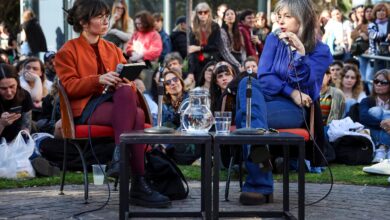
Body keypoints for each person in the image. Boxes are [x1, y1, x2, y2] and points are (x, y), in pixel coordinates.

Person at [56, 0, 170, 207]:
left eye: (106, 16)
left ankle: (120, 158)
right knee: (136, 115)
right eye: (100, 17)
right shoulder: (67, 50)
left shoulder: (113, 48)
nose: (106, 20)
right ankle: (138, 184)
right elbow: (69, 87)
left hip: (116, 106)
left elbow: (130, 83)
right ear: (83, 22)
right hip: (85, 109)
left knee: (129, 98)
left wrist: (123, 80)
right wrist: (98, 79)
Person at [236, 0, 333, 205]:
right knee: (247, 82)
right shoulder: (273, 39)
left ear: (303, 19)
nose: (281, 20)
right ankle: (261, 181)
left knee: (249, 118)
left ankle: (259, 182)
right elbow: (264, 76)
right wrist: (292, 92)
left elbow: (306, 82)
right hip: (275, 98)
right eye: (279, 15)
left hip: (293, 110)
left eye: (287, 16)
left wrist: (300, 54)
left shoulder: (321, 51)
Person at [360, 69, 390, 163]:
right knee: (376, 111)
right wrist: (383, 123)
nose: (379, 84)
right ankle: (383, 148)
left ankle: (382, 149)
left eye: (383, 82)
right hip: (372, 132)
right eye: (376, 81)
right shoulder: (367, 100)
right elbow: (363, 116)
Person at [188, 2, 221, 84]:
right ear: (197, 14)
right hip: (198, 61)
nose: (203, 14)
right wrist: (191, 72)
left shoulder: (215, 26)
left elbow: (216, 46)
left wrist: (199, 48)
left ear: (209, 13)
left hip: (212, 59)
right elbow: (191, 50)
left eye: (205, 12)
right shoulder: (193, 28)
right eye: (200, 12)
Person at [0, 63, 32, 142]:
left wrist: (24, 137)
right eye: (3, 88)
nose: (9, 92)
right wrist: (1, 124)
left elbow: (26, 124)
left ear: (17, 82)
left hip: (17, 139)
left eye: (12, 86)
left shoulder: (24, 95)